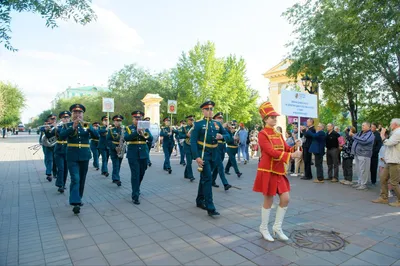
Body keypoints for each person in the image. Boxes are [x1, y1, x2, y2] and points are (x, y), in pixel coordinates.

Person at [253, 102, 302, 242]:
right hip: (268, 169)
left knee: (285, 198)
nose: (274, 119)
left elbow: (286, 148)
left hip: (279, 170)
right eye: (271, 117)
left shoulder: (278, 133)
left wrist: (294, 147)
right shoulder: (262, 134)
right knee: (269, 199)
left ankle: (277, 227)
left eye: (275, 117)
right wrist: (290, 156)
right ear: (265, 119)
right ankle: (263, 227)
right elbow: (270, 151)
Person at [190, 100, 230, 216]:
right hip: (204, 155)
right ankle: (210, 207)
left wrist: (222, 136)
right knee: (207, 179)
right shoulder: (198, 124)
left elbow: (229, 136)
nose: (210, 111)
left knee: (205, 178)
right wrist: (196, 157)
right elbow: (193, 142)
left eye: (211, 109)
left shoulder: (216, 124)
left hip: (215, 154)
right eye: (207, 109)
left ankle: (199, 200)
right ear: (203, 111)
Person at [60, 104, 99, 214]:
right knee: (75, 178)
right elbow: (61, 136)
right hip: (72, 156)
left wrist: (88, 126)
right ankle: (74, 201)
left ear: (83, 114)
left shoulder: (87, 125)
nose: (77, 115)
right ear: (72, 114)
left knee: (82, 179)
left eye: (80, 113)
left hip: (84, 156)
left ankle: (78, 198)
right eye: (75, 113)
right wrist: (73, 127)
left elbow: (97, 136)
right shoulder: (67, 125)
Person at [125, 111, 153, 205]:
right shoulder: (129, 128)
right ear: (133, 119)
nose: (138, 120)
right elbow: (127, 138)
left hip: (144, 154)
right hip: (133, 154)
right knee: (135, 174)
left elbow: (151, 138)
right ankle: (135, 195)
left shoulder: (145, 128)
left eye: (139, 119)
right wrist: (137, 132)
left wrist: (144, 132)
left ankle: (137, 187)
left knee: (142, 172)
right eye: (136, 119)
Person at [372, 118, 400, 207]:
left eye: (391, 124)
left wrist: (382, 135)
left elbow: (389, 143)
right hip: (390, 160)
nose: (390, 125)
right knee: (383, 178)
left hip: (395, 161)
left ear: (395, 124)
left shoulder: (398, 133)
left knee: (394, 182)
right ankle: (384, 197)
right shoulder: (395, 132)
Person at [48, 111, 71, 193]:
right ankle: (60, 185)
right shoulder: (58, 127)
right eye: (64, 118)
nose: (66, 119)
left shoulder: (72, 126)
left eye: (67, 117)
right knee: (61, 168)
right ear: (61, 119)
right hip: (58, 150)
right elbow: (60, 134)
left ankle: (63, 184)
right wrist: (50, 128)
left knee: (66, 169)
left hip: (68, 150)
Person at [351, 122, 375, 190]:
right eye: (362, 125)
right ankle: (359, 182)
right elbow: (355, 139)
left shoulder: (370, 134)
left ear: (368, 127)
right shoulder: (360, 133)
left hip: (364, 154)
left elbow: (364, 141)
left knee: (363, 170)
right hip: (357, 153)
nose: (362, 127)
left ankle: (363, 184)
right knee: (358, 169)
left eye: (364, 125)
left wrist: (354, 135)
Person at [211, 112, 232, 191]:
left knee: (217, 166)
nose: (221, 119)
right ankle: (225, 183)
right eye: (219, 118)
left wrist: (224, 135)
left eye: (221, 118)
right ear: (214, 119)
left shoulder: (222, 128)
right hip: (215, 148)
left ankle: (212, 181)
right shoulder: (212, 125)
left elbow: (229, 137)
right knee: (220, 166)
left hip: (222, 148)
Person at [107, 115, 125, 187]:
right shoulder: (111, 130)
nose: (118, 122)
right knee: (115, 163)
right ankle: (116, 178)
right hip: (114, 149)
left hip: (121, 148)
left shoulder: (124, 129)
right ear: (114, 122)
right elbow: (108, 140)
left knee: (119, 163)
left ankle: (115, 176)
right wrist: (114, 147)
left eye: (120, 121)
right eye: (117, 121)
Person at [43, 114, 58, 182]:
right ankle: (49, 173)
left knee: (55, 160)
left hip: (56, 145)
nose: (53, 120)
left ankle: (55, 173)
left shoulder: (58, 125)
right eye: (52, 119)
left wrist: (56, 127)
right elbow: (41, 129)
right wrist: (46, 128)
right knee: (49, 159)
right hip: (47, 145)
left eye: (55, 119)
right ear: (49, 120)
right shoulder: (46, 125)